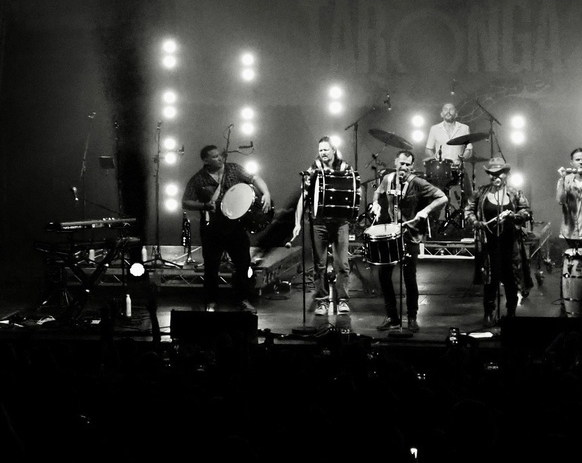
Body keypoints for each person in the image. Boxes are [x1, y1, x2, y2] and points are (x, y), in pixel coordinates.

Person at [182, 144, 272, 313]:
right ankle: (211, 301)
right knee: (211, 266)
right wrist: (205, 205)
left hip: (235, 225)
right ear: (206, 160)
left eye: (219, 155)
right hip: (212, 228)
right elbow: (186, 201)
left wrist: (265, 192)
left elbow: (254, 178)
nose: (219, 158)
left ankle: (242, 299)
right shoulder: (199, 179)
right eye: (214, 157)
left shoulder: (233, 169)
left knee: (243, 263)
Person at [370, 149, 448, 332]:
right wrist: (375, 204)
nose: (403, 167)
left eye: (407, 164)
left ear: (412, 167)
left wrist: (425, 211)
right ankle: (392, 317)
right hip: (391, 234)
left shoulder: (418, 183)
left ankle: (412, 317)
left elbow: (442, 197)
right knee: (384, 275)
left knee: (409, 277)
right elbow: (378, 192)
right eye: (401, 163)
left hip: (410, 235)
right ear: (396, 162)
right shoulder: (387, 179)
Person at [288, 137, 354, 318]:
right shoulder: (314, 169)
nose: (323, 153)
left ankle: (342, 301)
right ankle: (323, 301)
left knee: (342, 264)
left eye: (326, 149)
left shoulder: (344, 168)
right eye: (321, 150)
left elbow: (354, 191)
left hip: (340, 222)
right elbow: (303, 196)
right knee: (320, 264)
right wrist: (297, 223)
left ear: (334, 150)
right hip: (319, 222)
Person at [465, 156, 533, 328]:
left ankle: (511, 311)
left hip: (510, 243)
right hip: (489, 244)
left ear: (506, 174)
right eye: (491, 174)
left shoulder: (515, 193)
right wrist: (475, 222)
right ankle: (489, 312)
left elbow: (526, 211)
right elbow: (469, 210)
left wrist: (515, 216)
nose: (495, 177)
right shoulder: (481, 192)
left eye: (499, 174)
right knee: (491, 278)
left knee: (511, 278)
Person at [424, 102, 474, 228]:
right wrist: (433, 156)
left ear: (456, 113)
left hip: (458, 167)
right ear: (441, 113)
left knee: (468, 195)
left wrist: (464, 157)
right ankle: (433, 225)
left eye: (451, 109)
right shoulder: (434, 129)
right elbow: (428, 149)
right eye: (445, 109)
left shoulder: (464, 128)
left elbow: (469, 149)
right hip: (440, 169)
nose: (448, 111)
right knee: (437, 196)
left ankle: (467, 224)